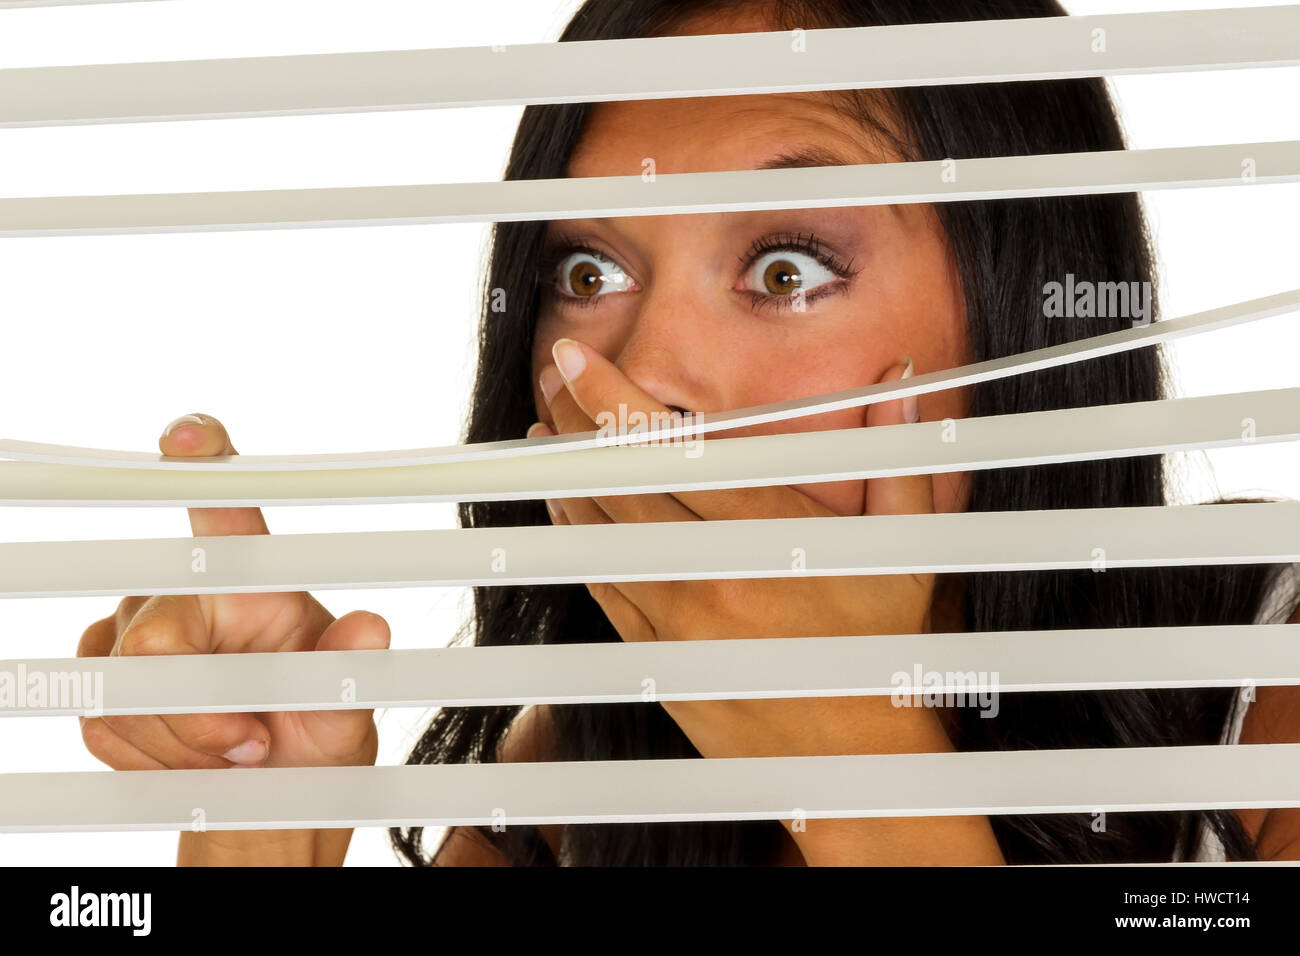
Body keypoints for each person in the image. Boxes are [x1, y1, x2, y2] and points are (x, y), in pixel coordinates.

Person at [76, 0, 1300, 866]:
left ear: (1026, 299)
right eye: (591, 268)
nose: (643, 372)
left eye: (781, 267)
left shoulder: (1265, 673)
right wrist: (265, 823)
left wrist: (849, 753)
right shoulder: (586, 774)